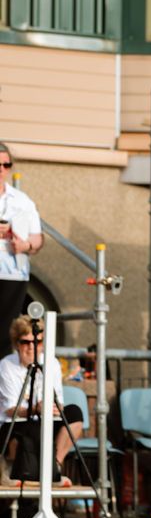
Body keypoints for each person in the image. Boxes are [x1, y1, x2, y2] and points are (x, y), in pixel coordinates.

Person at [0, 315, 84, 486]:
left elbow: (58, 400)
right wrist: (37, 409)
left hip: (41, 419)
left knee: (74, 413)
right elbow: (10, 409)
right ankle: (12, 468)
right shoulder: (6, 365)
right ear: (17, 344)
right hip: (14, 423)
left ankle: (54, 468)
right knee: (30, 425)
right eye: (25, 342)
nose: (32, 347)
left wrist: (53, 408)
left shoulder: (51, 363)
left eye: (37, 342)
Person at [0, 142, 43, 356]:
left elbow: (37, 239)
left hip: (13, 273)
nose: (1, 169)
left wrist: (25, 245)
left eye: (6, 164)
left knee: (6, 334)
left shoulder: (22, 201)